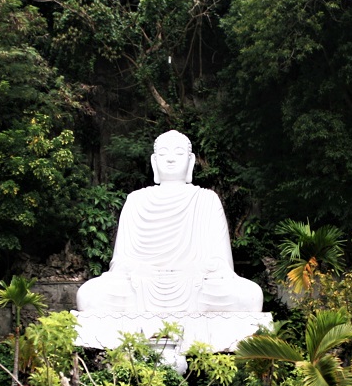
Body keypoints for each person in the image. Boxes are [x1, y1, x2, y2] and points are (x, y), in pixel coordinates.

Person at [76, 130, 263, 313]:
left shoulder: (206, 199)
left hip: (197, 284)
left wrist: (203, 270)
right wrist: (139, 272)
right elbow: (121, 263)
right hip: (140, 284)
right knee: (87, 296)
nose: (171, 159)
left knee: (251, 296)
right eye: (163, 154)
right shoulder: (136, 200)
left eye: (179, 153)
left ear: (190, 161)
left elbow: (222, 265)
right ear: (154, 161)